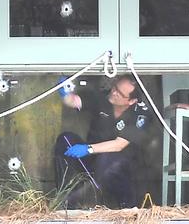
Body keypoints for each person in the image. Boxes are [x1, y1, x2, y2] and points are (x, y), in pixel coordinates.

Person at [54, 74, 150, 209]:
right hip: (92, 160)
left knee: (108, 159)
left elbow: (119, 145)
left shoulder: (140, 113)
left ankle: (121, 206)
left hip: (123, 171)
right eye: (115, 87)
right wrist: (64, 90)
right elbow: (73, 101)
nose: (114, 92)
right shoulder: (102, 97)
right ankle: (66, 200)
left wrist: (87, 148)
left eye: (120, 93)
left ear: (131, 101)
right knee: (65, 140)